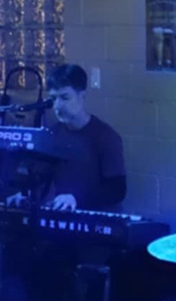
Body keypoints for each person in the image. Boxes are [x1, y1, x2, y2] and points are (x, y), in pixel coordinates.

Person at [45, 63, 126, 212]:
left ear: (82, 95)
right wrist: (25, 195)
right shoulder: (52, 134)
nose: (57, 106)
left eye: (65, 98)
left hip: (98, 216)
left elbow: (117, 190)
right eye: (53, 99)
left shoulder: (105, 136)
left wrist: (76, 198)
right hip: (65, 213)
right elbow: (41, 178)